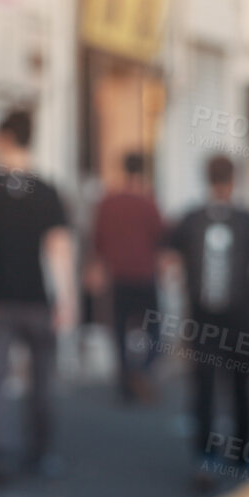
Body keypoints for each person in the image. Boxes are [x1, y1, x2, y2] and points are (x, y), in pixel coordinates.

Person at [160, 154, 249, 492]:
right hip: (241, 321)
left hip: (200, 321)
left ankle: (206, 457)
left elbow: (168, 267)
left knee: (203, 390)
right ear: (234, 181)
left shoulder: (188, 220)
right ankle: (242, 456)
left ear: (206, 179)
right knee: (242, 388)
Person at [0, 108, 74, 483]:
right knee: (42, 381)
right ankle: (42, 454)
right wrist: (67, 299)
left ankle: (0, 456)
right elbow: (59, 250)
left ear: (4, 139)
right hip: (38, 300)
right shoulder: (47, 190)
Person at [89, 151, 165, 404]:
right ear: (142, 171)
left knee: (120, 331)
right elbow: (160, 239)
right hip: (145, 275)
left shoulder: (107, 202)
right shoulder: (148, 203)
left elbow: (98, 240)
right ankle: (141, 371)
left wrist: (96, 269)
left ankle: (125, 384)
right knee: (155, 329)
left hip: (118, 277)